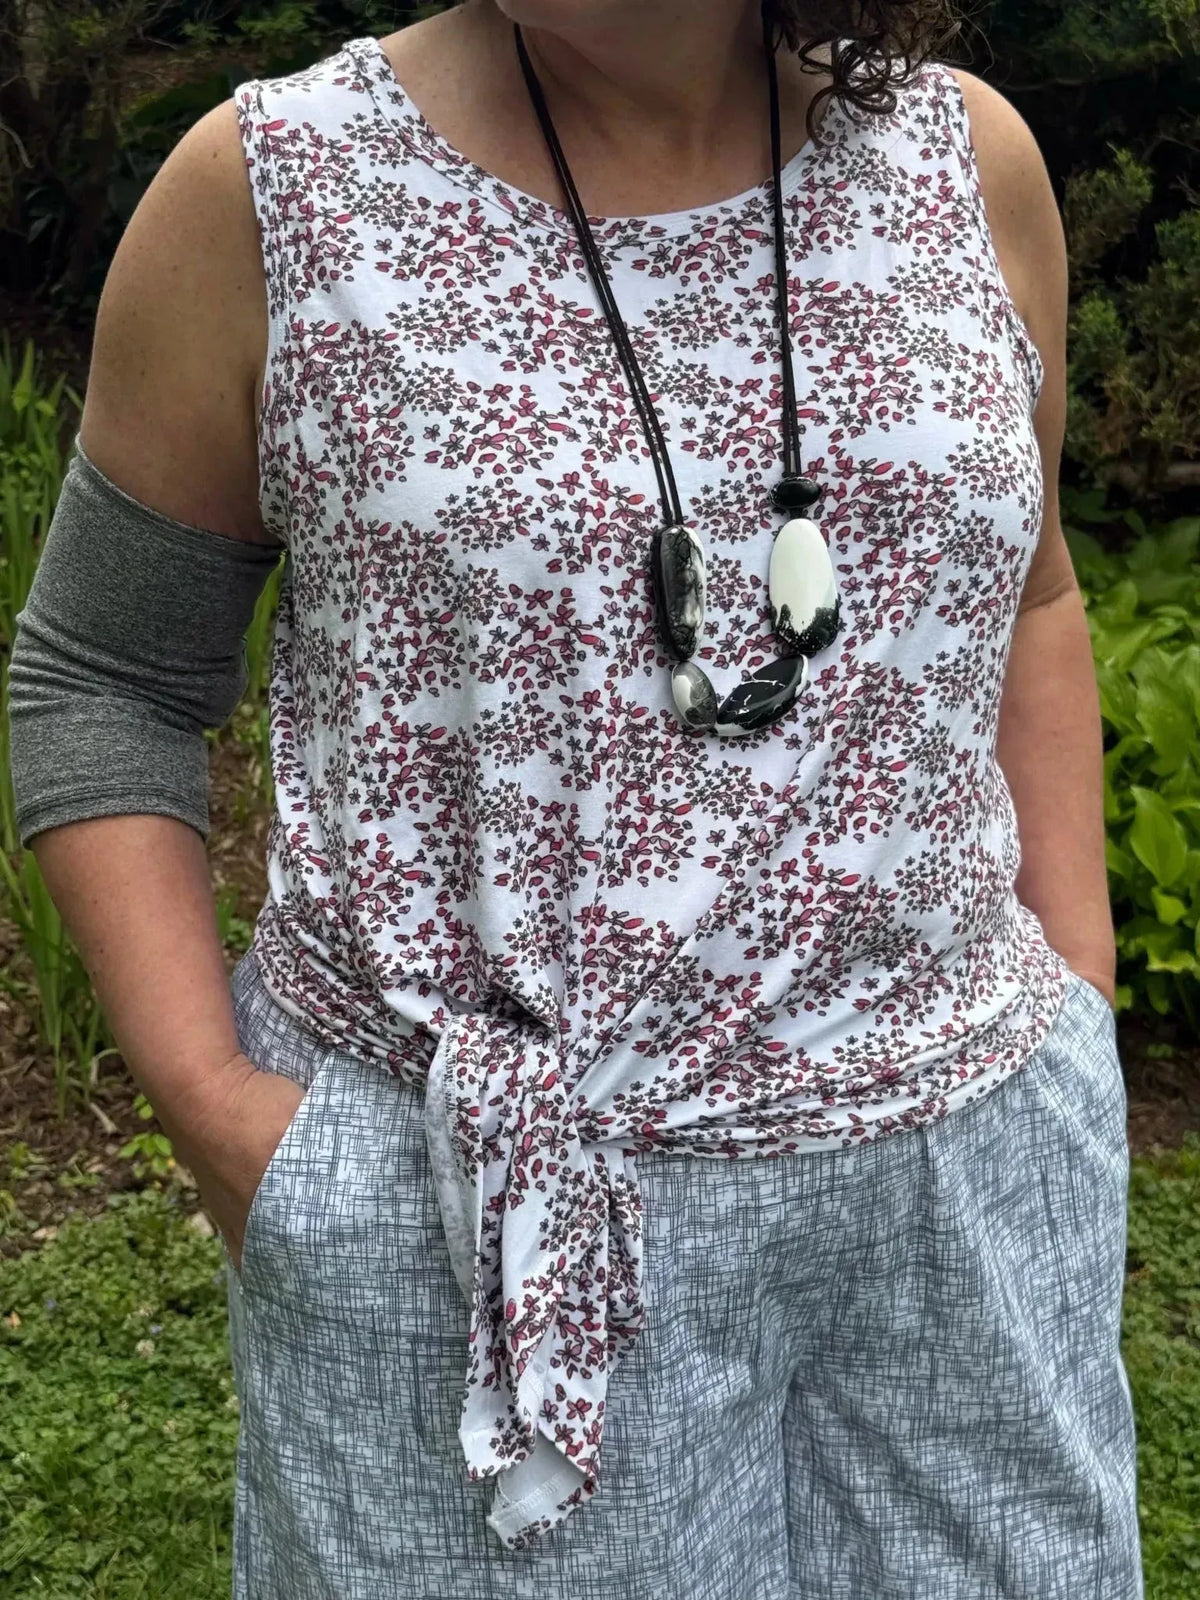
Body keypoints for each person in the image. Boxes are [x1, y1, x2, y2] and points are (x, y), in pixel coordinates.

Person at [7, 0, 1144, 1594]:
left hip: (965, 1205)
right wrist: (232, 1121)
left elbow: (1029, 598)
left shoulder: (964, 160)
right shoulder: (277, 191)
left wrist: (1070, 999)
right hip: (478, 1231)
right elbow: (103, 682)